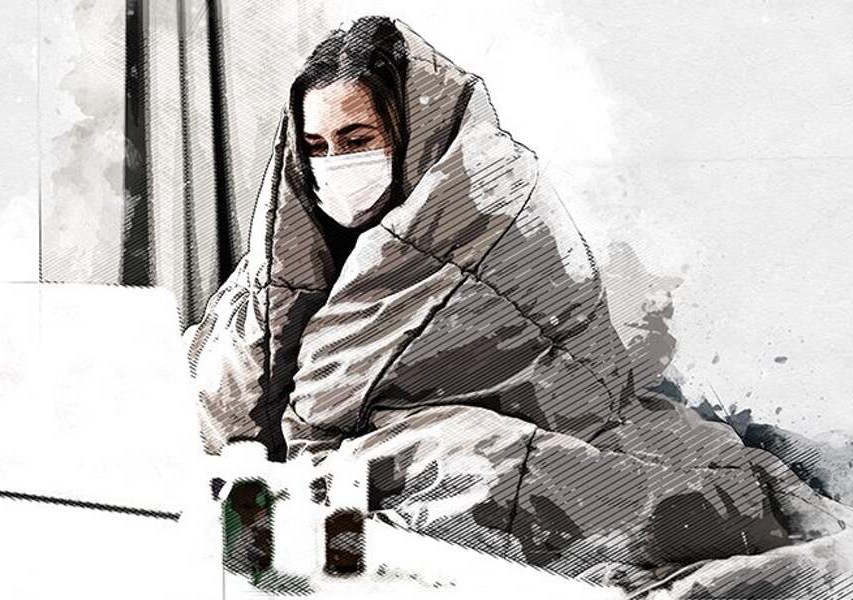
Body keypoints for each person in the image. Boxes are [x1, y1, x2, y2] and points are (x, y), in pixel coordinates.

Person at [183, 15, 853, 596]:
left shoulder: (492, 204)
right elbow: (241, 366)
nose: (334, 164)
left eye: (359, 141)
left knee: (465, 457)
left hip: (536, 428)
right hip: (365, 462)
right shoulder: (307, 232)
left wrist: (342, 453)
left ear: (418, 132)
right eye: (316, 148)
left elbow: (535, 363)